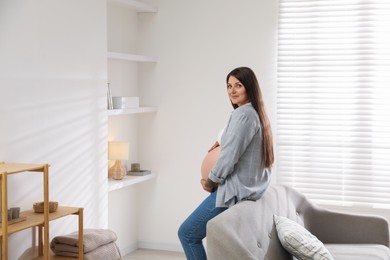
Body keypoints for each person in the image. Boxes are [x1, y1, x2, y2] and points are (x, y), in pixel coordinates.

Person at [178, 66, 274, 260]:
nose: (232, 91)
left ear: (250, 87)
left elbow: (230, 157)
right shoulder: (257, 113)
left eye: (238, 85)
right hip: (246, 190)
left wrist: (210, 182)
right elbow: (242, 148)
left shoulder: (243, 115)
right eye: (229, 86)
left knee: (187, 234)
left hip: (232, 192)